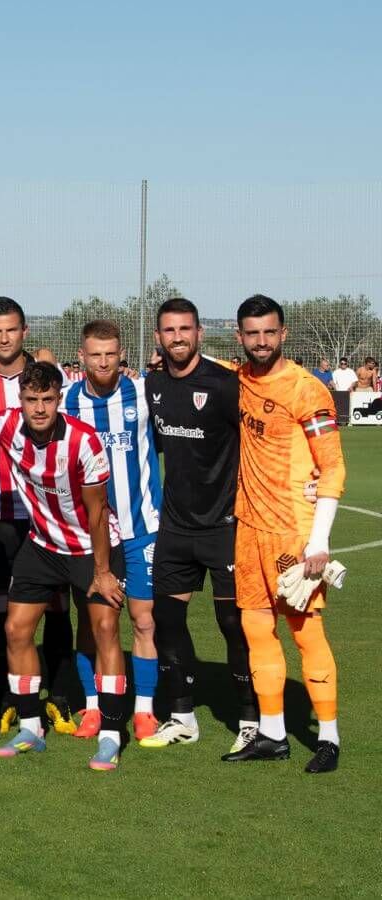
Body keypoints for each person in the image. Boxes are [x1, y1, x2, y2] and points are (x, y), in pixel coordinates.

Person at [0, 362, 129, 772]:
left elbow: (97, 513)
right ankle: (31, 727)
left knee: (104, 630)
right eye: (31, 400)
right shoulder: (7, 426)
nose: (39, 408)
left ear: (59, 400)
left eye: (47, 400)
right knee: (15, 629)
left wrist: (102, 572)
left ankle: (112, 735)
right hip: (42, 545)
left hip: (91, 548)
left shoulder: (84, 441)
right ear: (21, 400)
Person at [223, 295, 344, 774]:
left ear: (284, 333)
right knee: (256, 630)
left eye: (269, 332)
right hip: (247, 528)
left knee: (306, 633)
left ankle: (329, 737)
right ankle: (272, 733)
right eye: (252, 334)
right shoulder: (240, 380)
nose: (261, 342)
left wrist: (319, 541)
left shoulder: (307, 389)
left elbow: (332, 467)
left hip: (292, 532)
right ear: (239, 337)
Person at [139, 297, 260, 753]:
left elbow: (258, 442)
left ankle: (250, 719)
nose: (177, 338)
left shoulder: (226, 385)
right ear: (158, 337)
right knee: (167, 621)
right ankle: (183, 716)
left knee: (233, 623)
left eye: (185, 329)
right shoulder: (152, 385)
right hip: (175, 529)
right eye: (169, 331)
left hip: (226, 527)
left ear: (199, 333)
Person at [0, 297, 72, 733]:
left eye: (12, 330)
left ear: (25, 331)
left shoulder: (44, 376)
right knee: (0, 607)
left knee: (56, 606)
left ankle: (58, 696)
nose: (4, 339)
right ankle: (8, 697)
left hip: (43, 513)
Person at [63, 321, 162, 742]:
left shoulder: (142, 393)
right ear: (81, 357)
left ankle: (143, 710)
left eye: (111, 355)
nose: (103, 363)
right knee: (92, 623)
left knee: (143, 620)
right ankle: (91, 707)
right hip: (90, 534)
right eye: (95, 355)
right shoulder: (66, 400)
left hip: (142, 528)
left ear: (122, 355)